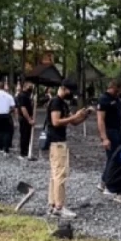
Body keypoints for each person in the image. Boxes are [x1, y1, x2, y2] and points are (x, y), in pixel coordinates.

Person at [46, 79, 93, 230]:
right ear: (64, 88)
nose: (71, 94)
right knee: (60, 174)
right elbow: (56, 122)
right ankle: (59, 206)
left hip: (60, 141)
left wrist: (83, 115)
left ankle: (53, 205)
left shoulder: (63, 104)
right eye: (70, 91)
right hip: (56, 142)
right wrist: (74, 116)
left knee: (56, 174)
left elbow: (73, 122)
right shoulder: (55, 102)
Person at [97, 81, 121, 193]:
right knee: (113, 158)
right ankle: (108, 183)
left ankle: (105, 181)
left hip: (118, 131)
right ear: (112, 87)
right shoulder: (104, 99)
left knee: (116, 157)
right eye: (117, 90)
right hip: (109, 131)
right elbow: (100, 120)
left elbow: (118, 112)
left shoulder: (117, 99)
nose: (119, 92)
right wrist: (104, 138)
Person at [16, 82, 35, 160]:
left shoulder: (27, 96)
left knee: (27, 136)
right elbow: (23, 109)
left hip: (27, 118)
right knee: (24, 135)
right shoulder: (22, 96)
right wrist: (29, 119)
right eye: (29, 86)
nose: (30, 88)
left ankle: (27, 152)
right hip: (24, 119)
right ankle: (23, 153)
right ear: (24, 87)